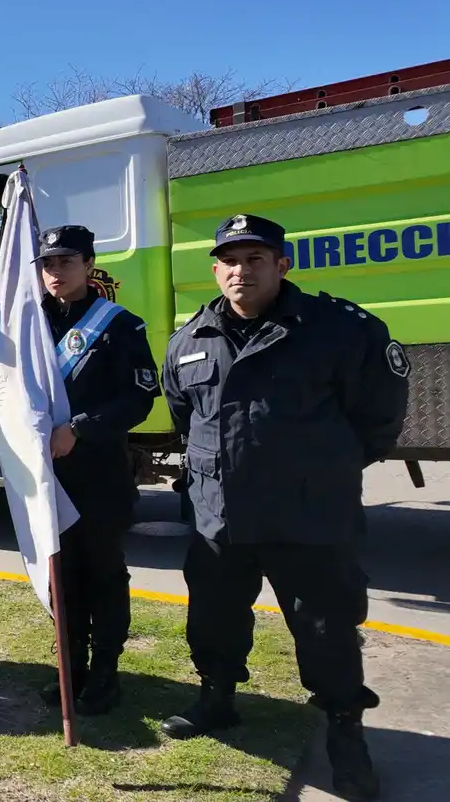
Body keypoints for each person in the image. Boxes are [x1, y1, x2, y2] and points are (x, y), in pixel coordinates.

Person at [159, 214, 410, 800]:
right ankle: (217, 698)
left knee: (326, 631)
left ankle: (346, 733)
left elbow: (379, 417)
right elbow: (185, 418)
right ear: (215, 270)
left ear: (281, 264)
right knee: (214, 618)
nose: (240, 271)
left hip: (309, 518)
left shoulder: (339, 330)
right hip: (221, 517)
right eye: (230, 261)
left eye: (255, 259)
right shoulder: (190, 339)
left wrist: (326, 469)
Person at [34, 225, 160, 714]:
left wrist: (80, 428)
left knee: (103, 574)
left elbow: (138, 398)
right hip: (47, 477)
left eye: (66, 262)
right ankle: (72, 666)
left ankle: (106, 670)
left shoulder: (119, 325)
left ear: (89, 265)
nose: (55, 272)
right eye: (48, 264)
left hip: (98, 474)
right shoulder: (30, 326)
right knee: (60, 575)